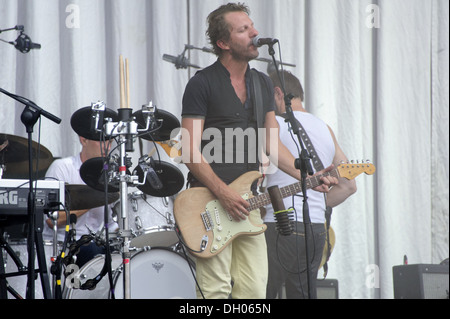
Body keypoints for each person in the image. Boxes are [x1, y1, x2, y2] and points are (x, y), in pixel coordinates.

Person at [181, 3, 338, 299]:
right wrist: (223, 192)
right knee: (215, 291)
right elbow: (189, 150)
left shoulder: (262, 83)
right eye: (244, 30)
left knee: (253, 291)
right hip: (210, 203)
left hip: (249, 205)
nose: (255, 34)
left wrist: (311, 175)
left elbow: (272, 144)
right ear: (223, 43)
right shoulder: (201, 83)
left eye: (252, 27)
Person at [263, 70, 357, 299]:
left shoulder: (273, 124)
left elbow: (257, 174)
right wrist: (317, 203)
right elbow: (349, 186)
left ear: (278, 93)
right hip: (315, 228)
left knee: (262, 294)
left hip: (276, 224)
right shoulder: (325, 129)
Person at [44, 136, 117, 267]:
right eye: (101, 140)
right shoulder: (62, 167)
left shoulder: (109, 175)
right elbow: (52, 220)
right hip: (62, 247)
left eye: (110, 141)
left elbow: (111, 225)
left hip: (95, 247)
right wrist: (94, 199)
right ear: (84, 140)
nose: (108, 147)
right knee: (94, 251)